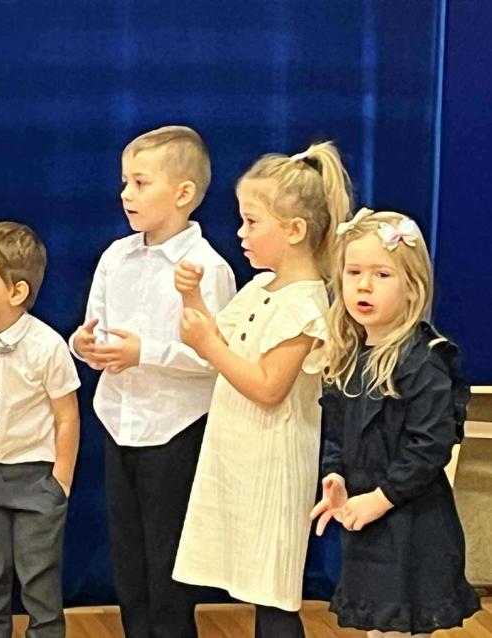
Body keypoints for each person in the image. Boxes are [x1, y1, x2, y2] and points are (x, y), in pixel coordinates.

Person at [172, 142, 351, 638]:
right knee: (250, 585)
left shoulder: (305, 306)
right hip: (238, 454)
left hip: (274, 462)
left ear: (294, 230)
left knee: (272, 592)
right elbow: (225, 345)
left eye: (252, 222)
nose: (240, 233)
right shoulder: (259, 287)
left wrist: (209, 345)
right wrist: (191, 298)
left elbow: (270, 387)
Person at [70, 126, 235, 638]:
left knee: (169, 562)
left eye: (141, 183)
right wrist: (84, 345)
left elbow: (217, 359)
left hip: (176, 431)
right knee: (129, 558)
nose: (126, 193)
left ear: (183, 193)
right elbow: (94, 327)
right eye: (125, 181)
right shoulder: (115, 257)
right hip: (119, 423)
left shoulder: (208, 268)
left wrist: (146, 353)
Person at [310, 208, 480, 637]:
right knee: (379, 627)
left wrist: (381, 498)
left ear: (412, 286)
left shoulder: (424, 361)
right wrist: (335, 475)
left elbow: (429, 447)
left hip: (412, 526)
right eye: (354, 272)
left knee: (399, 626)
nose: (364, 285)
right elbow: (337, 430)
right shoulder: (348, 359)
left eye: (382, 275)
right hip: (369, 523)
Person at [0, 222, 80, 637]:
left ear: (17, 292)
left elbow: (67, 416)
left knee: (38, 574)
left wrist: (60, 482)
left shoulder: (48, 346)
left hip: (36, 477)